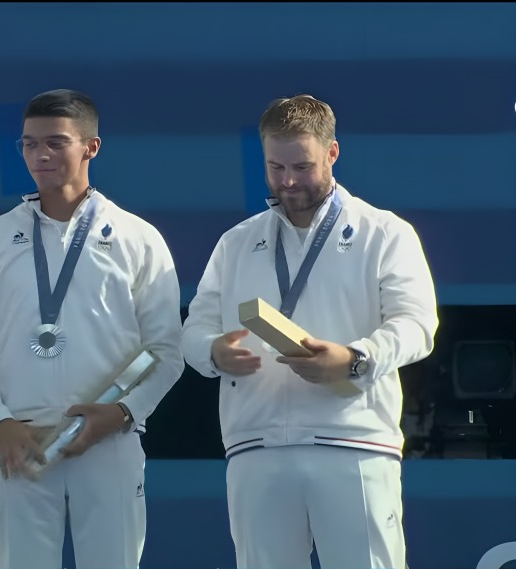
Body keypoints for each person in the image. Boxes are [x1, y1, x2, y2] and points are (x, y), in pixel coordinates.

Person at [180, 94, 438, 569]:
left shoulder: (384, 232)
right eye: (275, 167)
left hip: (354, 441)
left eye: (302, 166)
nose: (288, 181)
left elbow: (417, 324)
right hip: (255, 445)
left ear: (332, 152)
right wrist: (214, 352)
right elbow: (195, 328)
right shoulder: (237, 242)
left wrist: (355, 359)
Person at [0, 89, 184, 569]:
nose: (41, 155)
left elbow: (164, 351)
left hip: (108, 444)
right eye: (30, 144)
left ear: (91, 147)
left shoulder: (137, 237)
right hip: (20, 444)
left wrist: (122, 413)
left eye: (56, 142)